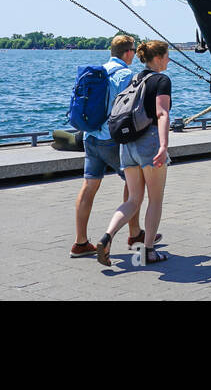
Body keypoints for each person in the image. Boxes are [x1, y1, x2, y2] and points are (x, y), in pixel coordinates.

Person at [95, 40, 172, 266]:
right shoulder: (161, 80)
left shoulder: (135, 78)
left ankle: (107, 236)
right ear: (157, 58)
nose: (168, 60)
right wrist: (164, 146)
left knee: (133, 199)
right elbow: (161, 114)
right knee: (155, 199)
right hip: (149, 143)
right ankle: (148, 251)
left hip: (127, 145)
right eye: (167, 56)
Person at [71, 35, 149, 258]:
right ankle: (134, 234)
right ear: (128, 53)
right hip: (111, 139)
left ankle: (80, 242)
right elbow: (134, 108)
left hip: (90, 136)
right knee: (135, 182)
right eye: (133, 50)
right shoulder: (126, 75)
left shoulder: (98, 72)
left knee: (89, 186)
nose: (134, 54)